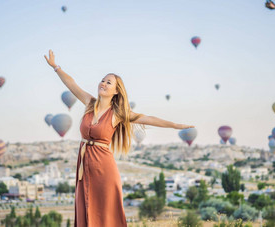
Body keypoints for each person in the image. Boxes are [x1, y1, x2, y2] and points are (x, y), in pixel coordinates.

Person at [44, 49, 195, 227]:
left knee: (107, 211)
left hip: (104, 168)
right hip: (84, 165)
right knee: (85, 205)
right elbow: (72, 84)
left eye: (109, 82)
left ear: (116, 91)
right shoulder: (89, 103)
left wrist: (176, 126)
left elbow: (148, 118)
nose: (103, 83)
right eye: (103, 80)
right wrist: (56, 67)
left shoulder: (117, 114)